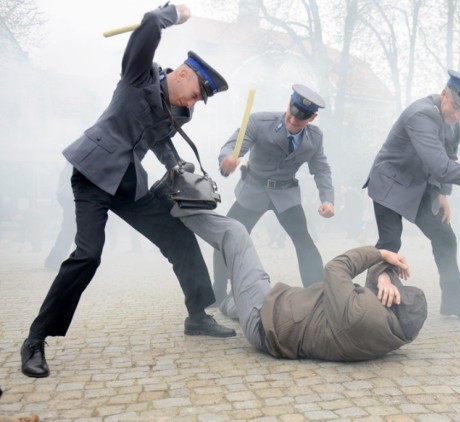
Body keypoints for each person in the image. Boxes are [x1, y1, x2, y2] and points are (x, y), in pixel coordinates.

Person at [20, 3, 235, 379]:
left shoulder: (176, 112)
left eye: (200, 101)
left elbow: (160, 142)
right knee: (88, 255)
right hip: (92, 173)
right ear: (183, 74)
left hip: (128, 183)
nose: (194, 102)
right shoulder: (138, 76)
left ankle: (198, 315)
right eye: (197, 94)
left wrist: (177, 167)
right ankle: (36, 339)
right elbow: (152, 22)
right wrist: (175, 12)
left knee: (179, 237)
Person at [160, 186, 427, 360]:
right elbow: (372, 287)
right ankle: (230, 303)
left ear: (389, 303)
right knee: (239, 299)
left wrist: (380, 254)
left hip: (266, 319)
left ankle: (174, 206)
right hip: (276, 315)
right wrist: (383, 276)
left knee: (236, 234)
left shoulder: (362, 314)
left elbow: (336, 269)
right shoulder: (392, 333)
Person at [364, 70, 460, 321]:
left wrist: (441, 193)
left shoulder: (459, 118)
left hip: (421, 186)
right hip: (390, 183)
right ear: (444, 94)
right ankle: (371, 303)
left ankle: (453, 302)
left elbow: (449, 155)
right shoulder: (422, 114)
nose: (458, 115)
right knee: (390, 243)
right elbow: (441, 167)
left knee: (445, 237)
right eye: (455, 106)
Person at [213, 84, 335, 302]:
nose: (293, 120)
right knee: (227, 238)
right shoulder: (259, 122)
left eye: (301, 118)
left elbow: (322, 170)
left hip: (285, 195)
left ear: (313, 117)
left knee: (304, 241)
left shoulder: (315, 138)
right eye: (292, 112)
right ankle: (218, 293)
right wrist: (227, 161)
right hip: (253, 191)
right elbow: (232, 146)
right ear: (289, 103)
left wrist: (327, 199)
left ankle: (318, 295)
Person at [44, 163, 75, 270]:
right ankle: (55, 261)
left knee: (70, 230)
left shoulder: (74, 158)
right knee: (71, 230)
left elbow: (62, 180)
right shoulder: (78, 160)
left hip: (69, 195)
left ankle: (55, 260)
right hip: (73, 196)